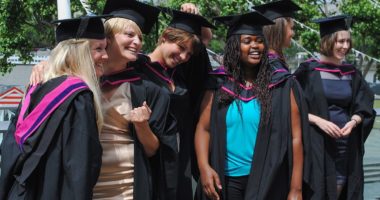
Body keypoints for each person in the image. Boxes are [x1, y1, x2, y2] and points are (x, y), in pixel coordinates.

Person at [194, 11, 308, 200]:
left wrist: (296, 189)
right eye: (247, 41)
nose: (255, 46)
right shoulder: (218, 83)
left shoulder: (281, 84)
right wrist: (204, 167)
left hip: (268, 179)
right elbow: (203, 128)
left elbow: (295, 137)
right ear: (234, 46)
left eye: (259, 40)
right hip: (226, 180)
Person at [0, 16, 108, 199]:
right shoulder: (78, 97)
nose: (105, 56)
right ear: (77, 52)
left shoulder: (34, 90)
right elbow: (80, 170)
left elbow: (10, 150)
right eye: (99, 48)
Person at [129, 7, 214, 200]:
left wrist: (196, 14)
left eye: (189, 54)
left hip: (179, 160)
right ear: (165, 36)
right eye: (181, 48)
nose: (184, 57)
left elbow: (206, 39)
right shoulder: (137, 68)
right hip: (150, 159)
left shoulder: (180, 74)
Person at [93, 0, 174, 199]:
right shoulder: (84, 80)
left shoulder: (149, 90)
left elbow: (153, 150)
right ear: (108, 37)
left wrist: (142, 126)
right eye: (130, 35)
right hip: (86, 182)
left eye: (140, 37)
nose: (137, 42)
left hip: (127, 188)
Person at [294, 15, 376, 200]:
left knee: (343, 191)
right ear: (328, 41)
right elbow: (291, 107)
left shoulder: (352, 73)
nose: (345, 46)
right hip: (317, 146)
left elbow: (365, 105)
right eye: (341, 41)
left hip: (346, 147)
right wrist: (318, 120)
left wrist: (354, 121)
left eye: (348, 41)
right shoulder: (307, 72)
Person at [253, 0, 301, 81]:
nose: (293, 33)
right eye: (291, 28)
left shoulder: (261, 62)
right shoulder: (274, 69)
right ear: (280, 29)